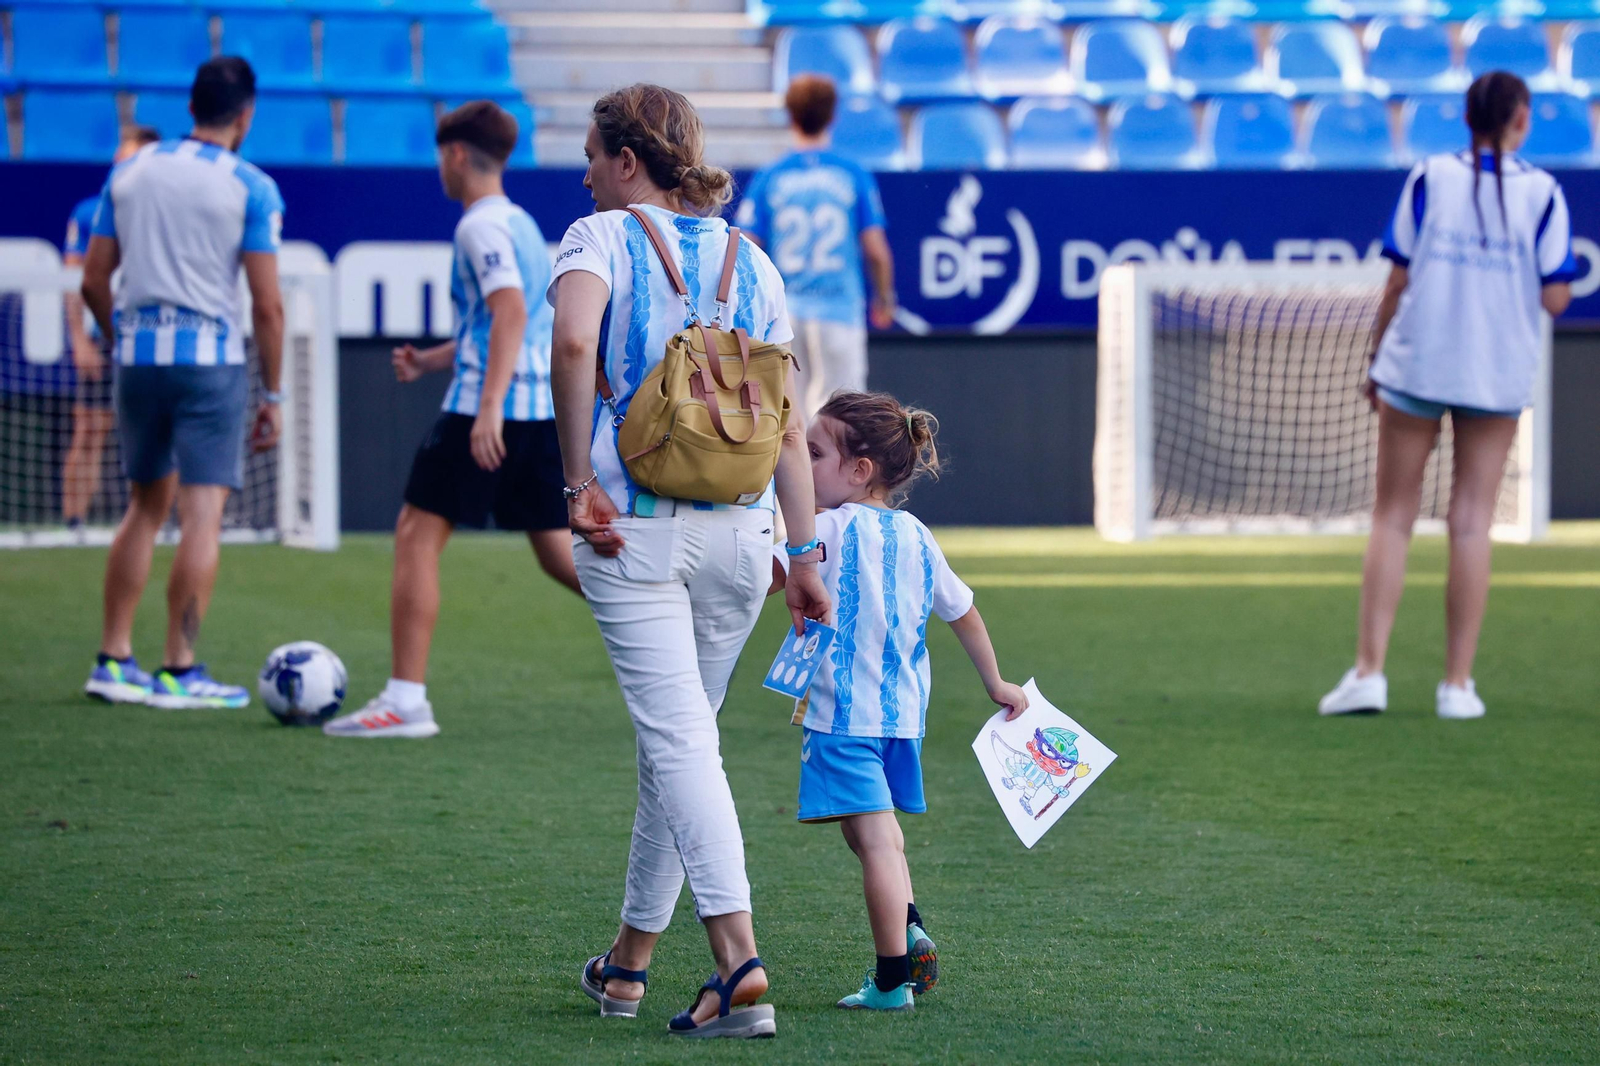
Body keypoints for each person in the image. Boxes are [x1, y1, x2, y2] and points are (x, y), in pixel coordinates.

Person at [548, 83, 830, 1039]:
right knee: (679, 747)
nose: (585, 173)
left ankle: (738, 964)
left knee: (679, 746)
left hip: (633, 531)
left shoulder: (597, 238)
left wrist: (574, 483)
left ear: (629, 161)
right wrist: (805, 554)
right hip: (746, 538)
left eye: (593, 155)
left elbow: (576, 337)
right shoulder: (756, 260)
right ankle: (627, 966)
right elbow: (788, 428)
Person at [1318, 71, 1576, 722]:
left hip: (1419, 363)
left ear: (1467, 118)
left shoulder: (1429, 178)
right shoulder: (1544, 193)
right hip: (1494, 371)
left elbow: (1396, 281)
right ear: (1520, 119)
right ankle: (1457, 686)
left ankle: (1369, 673)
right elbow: (1554, 296)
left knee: (1393, 516)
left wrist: (1375, 357)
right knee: (1471, 522)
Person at [322, 101, 579, 740]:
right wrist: (433, 359)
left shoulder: (477, 227)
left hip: (485, 413)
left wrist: (487, 406)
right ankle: (675, 621)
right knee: (558, 553)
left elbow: (512, 312)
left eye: (442, 155)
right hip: (537, 412)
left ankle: (406, 700)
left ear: (457, 154)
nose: (440, 166)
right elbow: (501, 324)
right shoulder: (519, 222)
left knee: (414, 535)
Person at [770, 391, 1029, 1011]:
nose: (801, 468)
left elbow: (769, 574)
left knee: (875, 839)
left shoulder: (824, 530)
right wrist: (996, 682)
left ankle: (892, 979)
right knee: (872, 833)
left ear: (859, 470)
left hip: (842, 717)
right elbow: (963, 612)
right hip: (902, 719)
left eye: (812, 454)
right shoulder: (916, 533)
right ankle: (908, 925)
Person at [79, 56, 285, 709]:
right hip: (210, 362)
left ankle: (112, 660)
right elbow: (267, 305)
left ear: (190, 105)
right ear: (245, 115)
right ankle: (179, 668)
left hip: (137, 356)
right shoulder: (250, 186)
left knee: (142, 509)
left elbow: (92, 280)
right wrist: (273, 395)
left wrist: (124, 339)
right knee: (202, 515)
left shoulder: (130, 172)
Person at [736, 74, 895, 419]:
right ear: (832, 116)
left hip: (785, 314)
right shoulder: (852, 173)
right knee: (841, 421)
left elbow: (746, 248)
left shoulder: (771, 177)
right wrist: (884, 297)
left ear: (790, 115)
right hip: (839, 310)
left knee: (791, 419)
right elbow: (875, 250)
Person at [61, 125, 162, 534]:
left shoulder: (166, 212)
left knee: (161, 431)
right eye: (119, 159)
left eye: (130, 160)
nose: (120, 167)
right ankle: (73, 523)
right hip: (105, 333)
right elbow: (73, 282)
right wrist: (79, 339)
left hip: (155, 333)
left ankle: (161, 520)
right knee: (89, 429)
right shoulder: (91, 212)